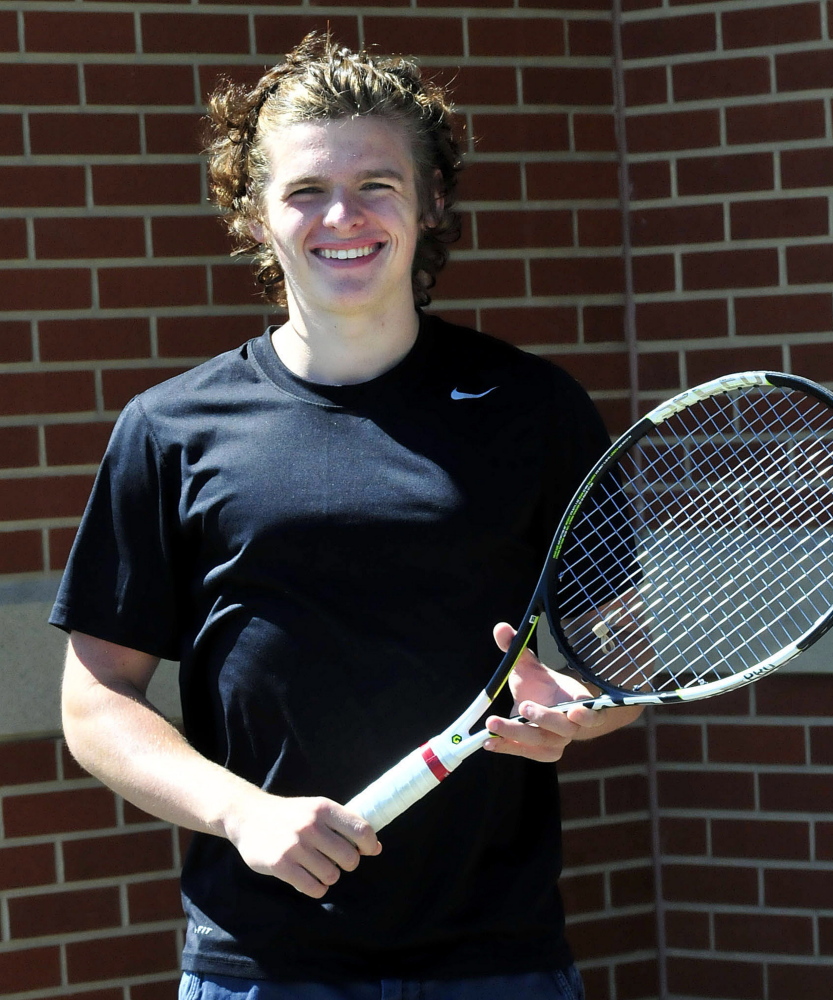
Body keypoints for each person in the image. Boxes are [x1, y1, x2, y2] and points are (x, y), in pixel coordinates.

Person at [54, 35, 643, 1000]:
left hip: (496, 961)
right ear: (252, 215)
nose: (343, 217)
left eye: (377, 183)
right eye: (304, 191)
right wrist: (241, 813)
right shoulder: (170, 429)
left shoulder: (533, 408)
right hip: (262, 967)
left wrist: (576, 708)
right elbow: (96, 703)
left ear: (431, 202)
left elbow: (621, 651)